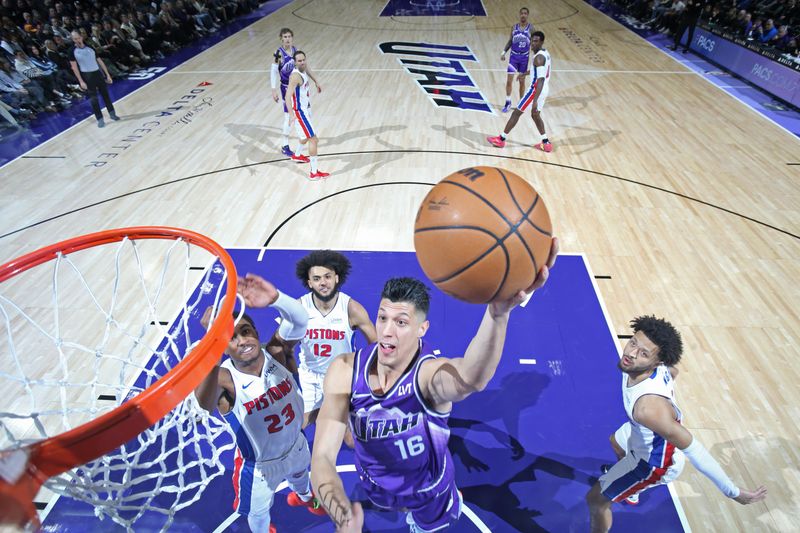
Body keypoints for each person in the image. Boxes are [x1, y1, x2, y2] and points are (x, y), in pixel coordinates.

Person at [311, 239, 559, 532]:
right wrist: (342, 515)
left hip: (430, 491)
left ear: (421, 329)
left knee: (428, 525)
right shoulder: (344, 370)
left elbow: (470, 377)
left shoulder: (427, 375)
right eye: (382, 317)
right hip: (375, 484)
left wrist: (498, 314)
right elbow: (323, 456)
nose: (387, 331)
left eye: (401, 322)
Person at [585, 316, 767, 532]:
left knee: (595, 500)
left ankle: (633, 483)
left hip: (654, 463)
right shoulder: (657, 369)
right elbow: (673, 372)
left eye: (644, 353)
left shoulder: (648, 409)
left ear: (656, 361)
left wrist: (733, 492)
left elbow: (695, 450)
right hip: (641, 436)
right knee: (616, 441)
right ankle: (631, 489)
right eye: (633, 342)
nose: (630, 353)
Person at [195, 274, 326, 533]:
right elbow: (204, 404)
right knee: (258, 512)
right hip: (259, 468)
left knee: (302, 478)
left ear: (255, 332)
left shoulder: (277, 352)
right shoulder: (224, 379)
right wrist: (211, 343)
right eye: (231, 338)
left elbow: (300, 320)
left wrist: (276, 298)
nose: (242, 340)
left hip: (297, 445)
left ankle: (303, 498)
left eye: (246, 331)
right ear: (223, 346)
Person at [294, 250, 377, 445]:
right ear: (309, 282)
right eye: (316, 278)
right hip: (310, 376)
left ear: (336, 278)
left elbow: (375, 345)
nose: (323, 282)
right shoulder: (300, 308)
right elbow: (283, 344)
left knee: (349, 438)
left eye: (327, 277)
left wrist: (367, 374)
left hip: (341, 376)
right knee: (297, 428)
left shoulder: (351, 308)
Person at [487, 31, 552, 153]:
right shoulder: (545, 53)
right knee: (535, 115)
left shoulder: (538, 58)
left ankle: (501, 139)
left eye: (536, 41)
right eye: (532, 40)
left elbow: (541, 79)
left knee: (517, 112)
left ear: (542, 42)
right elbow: (538, 71)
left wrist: (535, 100)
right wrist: (525, 73)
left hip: (536, 89)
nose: (533, 43)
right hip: (544, 89)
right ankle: (546, 143)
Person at [270, 28, 321, 160]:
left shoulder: (295, 51)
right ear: (281, 38)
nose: (287, 39)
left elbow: (305, 67)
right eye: (285, 37)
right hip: (287, 87)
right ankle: (285, 145)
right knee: (288, 117)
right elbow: (273, 71)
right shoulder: (278, 53)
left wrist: (316, 80)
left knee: (307, 114)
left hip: (299, 88)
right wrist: (273, 89)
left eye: (289, 36)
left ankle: (303, 143)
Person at [286, 50, 329, 180]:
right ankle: (313, 172)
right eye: (299, 61)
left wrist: (316, 81)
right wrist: (291, 114)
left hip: (305, 109)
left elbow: (308, 70)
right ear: (295, 62)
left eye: (304, 60)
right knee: (314, 140)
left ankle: (297, 155)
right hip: (300, 112)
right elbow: (288, 96)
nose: (303, 62)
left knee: (304, 137)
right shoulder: (295, 77)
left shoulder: (303, 68)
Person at [68, 30, 119, 128]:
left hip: (97, 74)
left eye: (78, 38)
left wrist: (107, 74)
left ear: (81, 37)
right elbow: (74, 67)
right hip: (86, 76)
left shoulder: (90, 47)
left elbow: (100, 61)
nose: (77, 40)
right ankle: (100, 119)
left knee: (106, 95)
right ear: (72, 40)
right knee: (94, 99)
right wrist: (81, 81)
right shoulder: (72, 51)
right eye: (74, 39)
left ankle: (112, 114)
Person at [500, 7, 533, 113]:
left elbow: (535, 42)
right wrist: (504, 52)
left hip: (524, 58)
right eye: (522, 13)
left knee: (522, 82)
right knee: (509, 80)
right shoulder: (514, 27)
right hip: (513, 57)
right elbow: (510, 41)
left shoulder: (531, 28)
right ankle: (508, 102)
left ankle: (521, 103)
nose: (523, 15)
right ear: (519, 15)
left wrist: (537, 55)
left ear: (527, 15)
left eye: (525, 13)